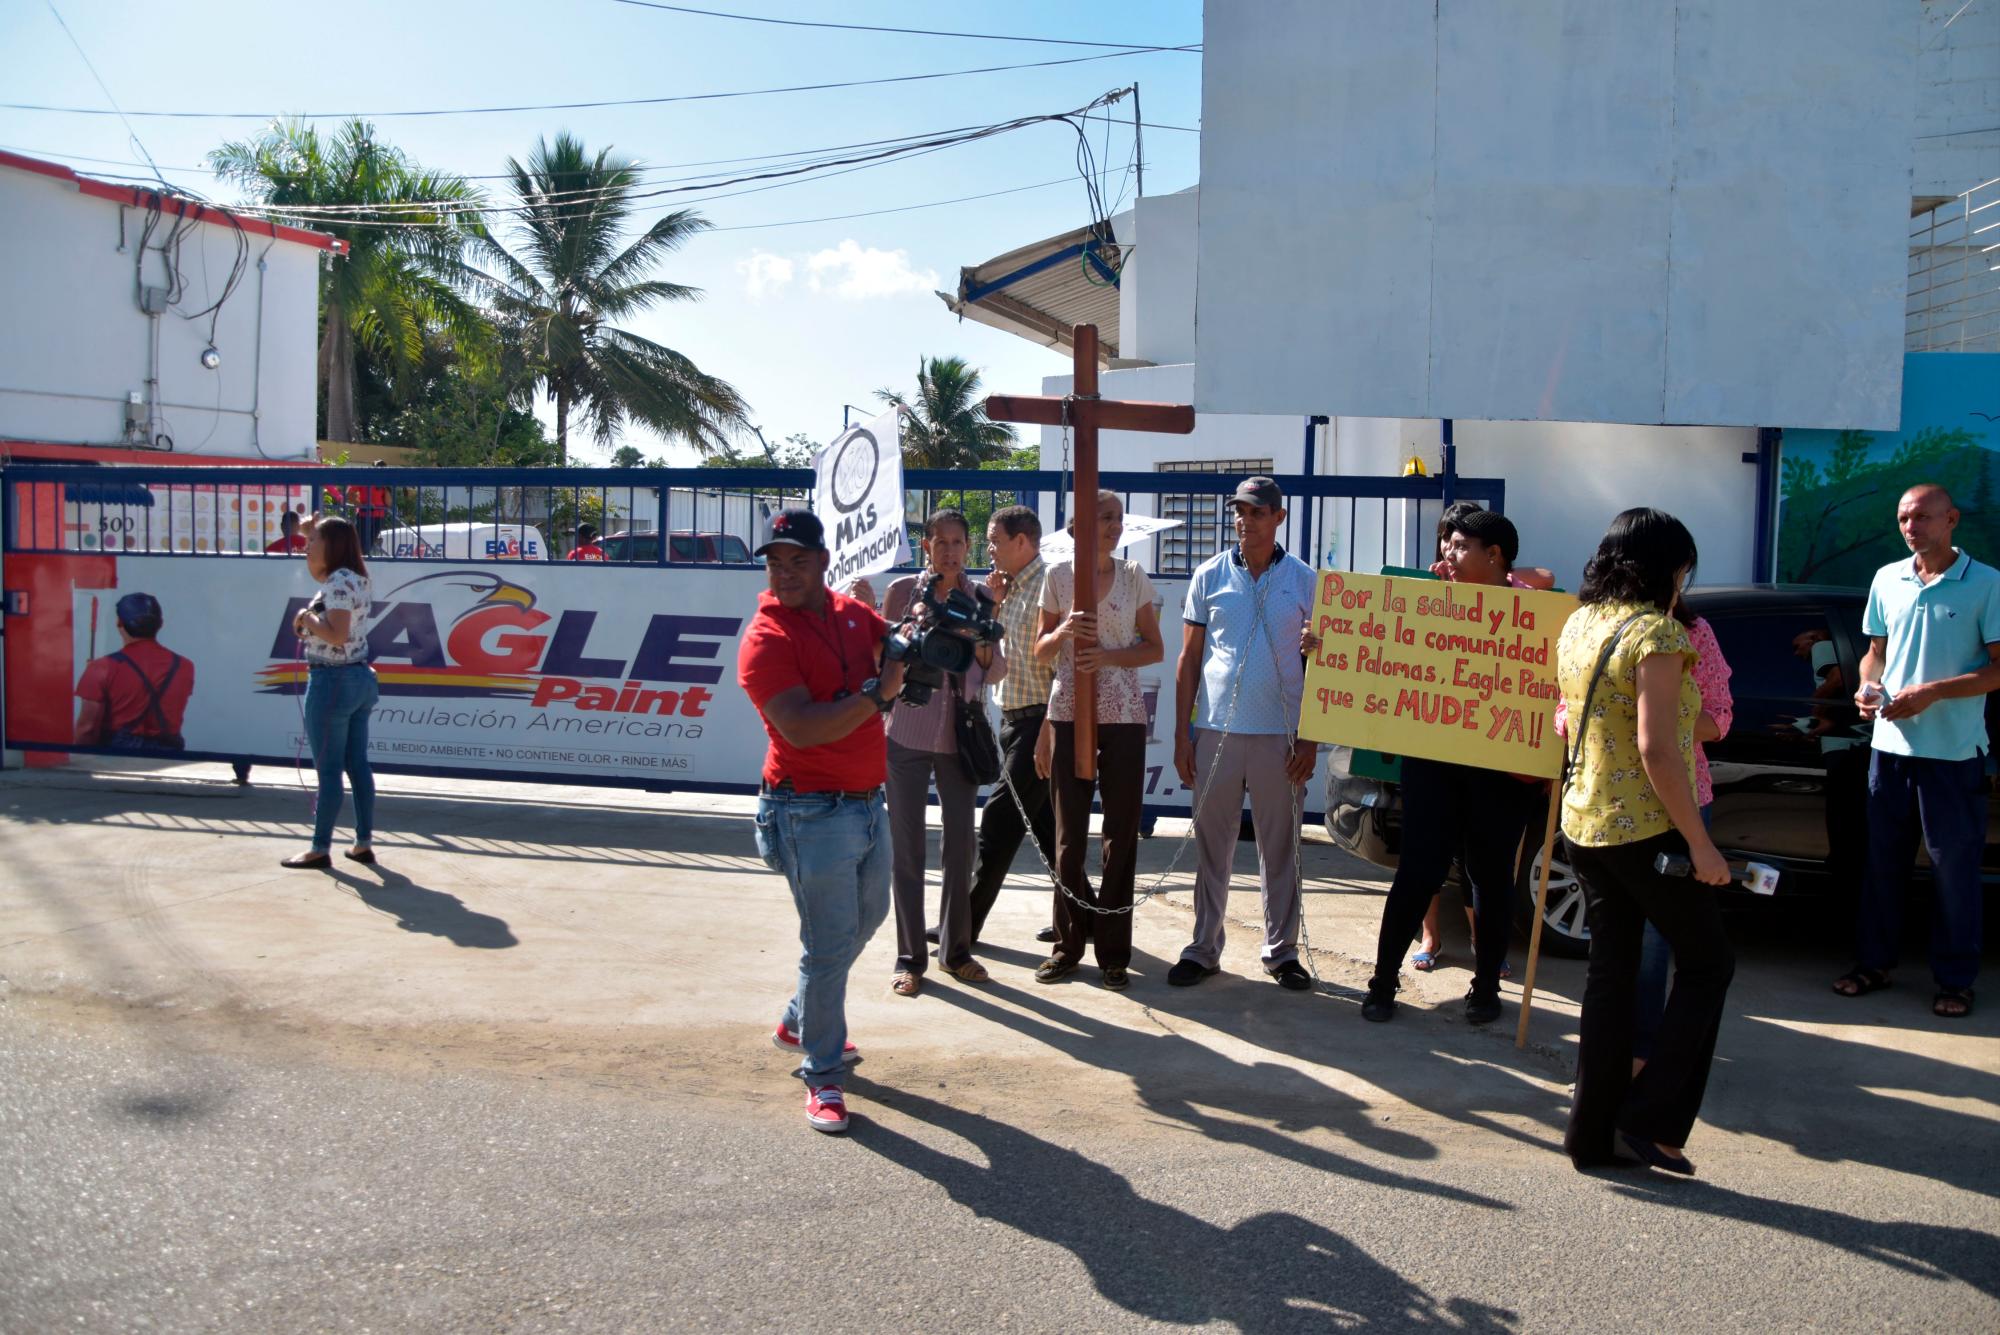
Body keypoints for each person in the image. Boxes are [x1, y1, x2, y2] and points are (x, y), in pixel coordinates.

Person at [1555, 507, 1733, 1176]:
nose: (1684, 583)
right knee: (1709, 962)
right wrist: (1702, 846)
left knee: (1612, 972)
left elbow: (1572, 723)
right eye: (1683, 569)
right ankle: (1649, 1117)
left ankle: (1590, 1133)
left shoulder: (1579, 624)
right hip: (1645, 829)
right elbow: (1659, 749)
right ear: (1666, 568)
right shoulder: (1657, 634)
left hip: (1585, 824)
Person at [737, 507, 903, 1134]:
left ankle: (799, 1017)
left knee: (868, 919)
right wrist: (880, 693)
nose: (785, 575)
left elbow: (897, 645)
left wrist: (927, 637)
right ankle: (823, 1074)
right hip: (806, 807)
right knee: (829, 943)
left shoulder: (851, 614)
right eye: (775, 563)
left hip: (866, 800)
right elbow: (803, 729)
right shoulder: (765, 639)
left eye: (797, 561)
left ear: (823, 562)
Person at [1360, 509, 1542, 1026]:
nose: (1448, 555)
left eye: (1461, 546)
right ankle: (1382, 982)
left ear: (1496, 556)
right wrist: (1324, 648)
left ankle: (1485, 988)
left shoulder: (1532, 613)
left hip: (1499, 771)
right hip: (1434, 761)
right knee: (1418, 872)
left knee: (1489, 878)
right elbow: (1378, 653)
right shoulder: (1427, 601)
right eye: (1449, 545)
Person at [1834, 483, 2000, 1021]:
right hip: (1890, 749)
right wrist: (1866, 687)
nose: (1911, 526)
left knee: (1954, 871)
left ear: (1951, 519)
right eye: (1904, 517)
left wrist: (1932, 692)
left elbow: (1998, 669)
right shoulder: (1888, 579)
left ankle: (1955, 980)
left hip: (1953, 754)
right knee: (1882, 866)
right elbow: (1875, 654)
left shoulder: (1987, 584)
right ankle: (1873, 965)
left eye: (1923, 517)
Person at [1168, 477, 1320, 992]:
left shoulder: (1304, 580)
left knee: (1281, 848)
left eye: (1256, 512)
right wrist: (1182, 735)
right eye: (1239, 511)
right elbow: (1188, 660)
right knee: (1213, 845)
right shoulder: (1209, 575)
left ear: (1278, 518)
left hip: (1281, 735)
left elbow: (1325, 665)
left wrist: (1311, 739)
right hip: (1216, 731)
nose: (1244, 520)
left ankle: (1282, 952)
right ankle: (1204, 947)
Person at [1032, 490, 1164, 989]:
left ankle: (1113, 952)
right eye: (1104, 517)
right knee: (1068, 837)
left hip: (1125, 715)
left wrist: (1109, 657)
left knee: (1121, 833)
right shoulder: (1057, 578)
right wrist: (1064, 630)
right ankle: (1069, 946)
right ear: (1077, 528)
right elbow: (1040, 652)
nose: (1114, 526)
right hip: (1068, 713)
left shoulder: (1133, 578)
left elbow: (1154, 648)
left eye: (1117, 518)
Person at [882, 509, 1006, 998]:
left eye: (959, 542)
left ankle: (955, 951)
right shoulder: (902, 594)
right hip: (906, 732)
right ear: (926, 546)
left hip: (960, 733)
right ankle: (909, 957)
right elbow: (881, 659)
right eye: (942, 542)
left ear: (968, 546)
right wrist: (908, 635)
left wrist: (980, 636)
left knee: (961, 846)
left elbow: (995, 673)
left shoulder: (979, 598)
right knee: (906, 849)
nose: (951, 551)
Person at [927, 505, 1062, 950]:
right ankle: (1081, 918)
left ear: (1022, 542)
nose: (988, 548)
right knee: (1047, 831)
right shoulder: (1006, 588)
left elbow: (1065, 667)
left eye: (994, 540)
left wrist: (1050, 727)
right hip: (1010, 720)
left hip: (1040, 723)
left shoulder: (1053, 583)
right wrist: (996, 603)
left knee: (999, 819)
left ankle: (961, 925)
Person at [1631, 590, 1733, 1067]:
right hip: (1613, 809)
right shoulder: (1600, 630)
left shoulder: (1696, 634)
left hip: (1684, 803)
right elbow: (1566, 714)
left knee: (1658, 940)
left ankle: (1647, 1059)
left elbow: (1721, 718)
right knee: (1617, 945)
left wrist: (1658, 721)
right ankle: (1619, 1062)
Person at [282, 515, 381, 871]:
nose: (306, 550)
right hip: (358, 678)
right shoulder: (356, 578)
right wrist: (312, 529)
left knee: (328, 770)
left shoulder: (337, 583)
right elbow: (342, 629)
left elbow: (336, 634)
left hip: (331, 681)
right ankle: (362, 843)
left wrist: (306, 618)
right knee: (358, 765)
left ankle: (319, 847)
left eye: (313, 544)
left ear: (332, 548)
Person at [74, 593, 193, 752]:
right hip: (169, 753)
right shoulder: (184, 666)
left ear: (119, 623)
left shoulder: (103, 667)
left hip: (118, 756)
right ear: (161, 623)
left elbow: (87, 729)